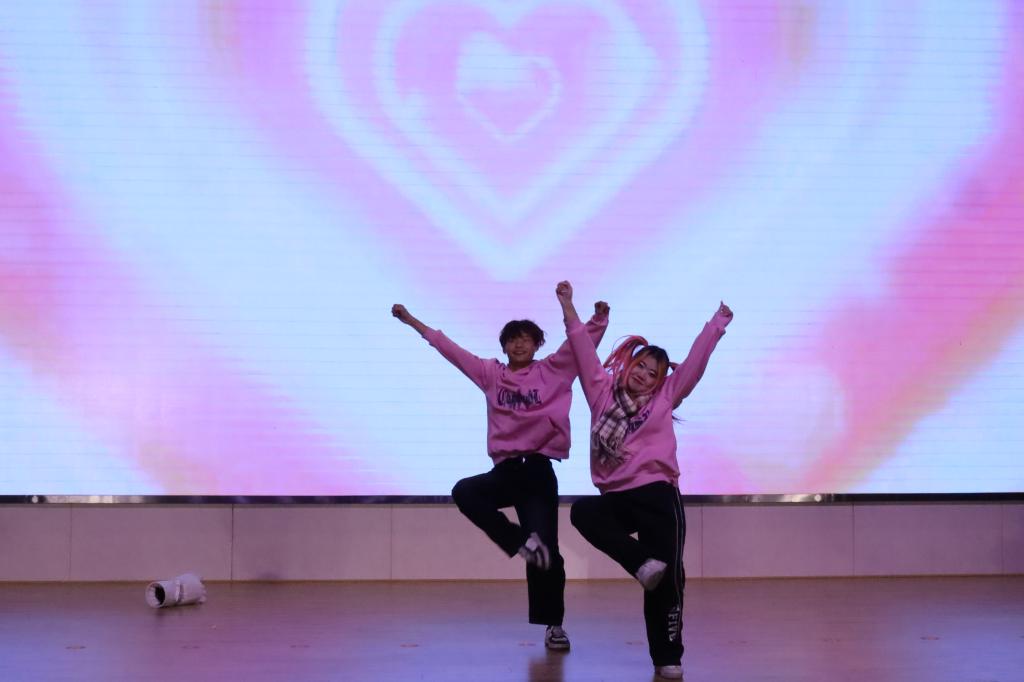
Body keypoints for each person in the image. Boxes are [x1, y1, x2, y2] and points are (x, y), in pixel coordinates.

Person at [391, 299, 609, 650]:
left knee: (547, 552)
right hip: (506, 471)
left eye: (526, 339)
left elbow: (581, 344)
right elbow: (450, 350)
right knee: (465, 491)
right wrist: (411, 320)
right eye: (512, 339)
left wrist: (599, 318)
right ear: (503, 346)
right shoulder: (491, 374)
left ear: (537, 344)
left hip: (538, 471)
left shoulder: (554, 369)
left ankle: (554, 625)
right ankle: (519, 542)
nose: (518, 344)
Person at [554, 280, 732, 680]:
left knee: (667, 578)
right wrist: (568, 305)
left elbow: (695, 364)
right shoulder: (601, 391)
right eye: (641, 367)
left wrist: (717, 324)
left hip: (658, 497)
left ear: (659, 381)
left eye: (653, 374)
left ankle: (667, 657)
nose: (645, 375)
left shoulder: (665, 398)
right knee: (583, 512)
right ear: (630, 365)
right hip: (617, 497)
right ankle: (639, 563)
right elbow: (581, 348)